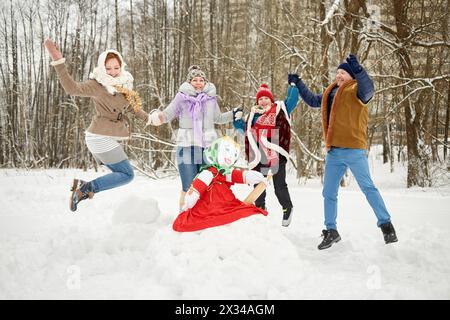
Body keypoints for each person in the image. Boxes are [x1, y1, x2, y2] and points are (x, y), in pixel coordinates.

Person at [289, 54, 398, 249]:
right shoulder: (331, 92)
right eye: (337, 72)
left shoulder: (358, 90)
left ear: (350, 76)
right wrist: (298, 84)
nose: (338, 76)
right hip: (334, 151)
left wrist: (358, 70)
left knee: (368, 187)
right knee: (328, 192)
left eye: (343, 73)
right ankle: (331, 230)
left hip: (354, 149)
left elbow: (369, 89)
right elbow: (314, 100)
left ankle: (386, 225)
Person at [44, 39, 150, 212]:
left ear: (121, 66)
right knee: (127, 175)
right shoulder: (97, 84)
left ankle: (85, 187)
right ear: (102, 68)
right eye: (108, 68)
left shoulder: (123, 86)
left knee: (125, 174)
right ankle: (85, 189)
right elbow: (72, 88)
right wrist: (58, 62)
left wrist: (151, 118)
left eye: (116, 67)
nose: (113, 72)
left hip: (105, 137)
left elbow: (133, 108)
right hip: (99, 137)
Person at [148, 65, 237, 211]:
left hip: (207, 148)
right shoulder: (181, 98)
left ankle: (203, 214)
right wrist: (156, 117)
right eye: (194, 80)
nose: (198, 83)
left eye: (201, 80)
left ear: (205, 82)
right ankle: (185, 214)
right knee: (189, 185)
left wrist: (233, 114)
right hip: (187, 146)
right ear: (189, 82)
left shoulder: (210, 99)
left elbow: (218, 118)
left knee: (206, 183)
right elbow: (168, 114)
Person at [233, 78, 299, 227]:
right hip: (258, 154)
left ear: (271, 99)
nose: (263, 101)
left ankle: (287, 207)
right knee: (258, 182)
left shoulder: (278, 109)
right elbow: (243, 129)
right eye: (260, 99)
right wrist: (237, 118)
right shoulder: (252, 116)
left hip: (275, 151)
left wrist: (293, 87)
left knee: (279, 184)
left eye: (266, 98)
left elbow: (292, 101)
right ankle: (260, 207)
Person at [172, 136, 268, 232]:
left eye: (234, 154)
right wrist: (190, 199)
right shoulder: (208, 173)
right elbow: (199, 186)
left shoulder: (225, 172)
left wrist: (255, 176)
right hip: (209, 205)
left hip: (227, 203)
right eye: (226, 150)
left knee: (242, 211)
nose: (230, 157)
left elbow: (239, 176)